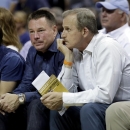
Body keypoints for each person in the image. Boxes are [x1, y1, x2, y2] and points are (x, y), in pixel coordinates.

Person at [25, 8, 130, 130]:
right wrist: (68, 59)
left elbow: (105, 95)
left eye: (68, 29)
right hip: (97, 103)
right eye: (63, 29)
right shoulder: (75, 50)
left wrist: (64, 98)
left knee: (89, 109)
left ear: (84, 31)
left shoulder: (106, 47)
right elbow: (63, 90)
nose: (62, 35)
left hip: (119, 104)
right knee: (60, 109)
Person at [0, 9, 64, 130]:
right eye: (31, 32)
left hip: (62, 103)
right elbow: (26, 83)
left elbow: (58, 90)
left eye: (41, 31)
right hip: (37, 99)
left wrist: (21, 98)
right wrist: (10, 97)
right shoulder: (32, 50)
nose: (35, 37)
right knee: (3, 107)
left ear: (54, 30)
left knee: (36, 105)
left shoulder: (64, 49)